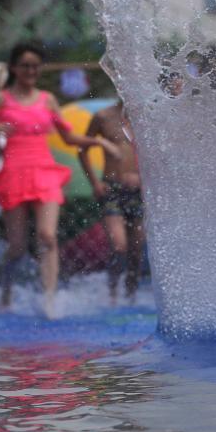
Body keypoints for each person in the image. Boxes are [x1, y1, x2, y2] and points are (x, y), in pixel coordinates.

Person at [0, 44, 116, 316]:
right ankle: (6, 291)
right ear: (14, 68)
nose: (30, 70)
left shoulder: (48, 99)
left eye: (35, 66)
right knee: (17, 247)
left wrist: (100, 143)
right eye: (25, 65)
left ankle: (50, 300)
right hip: (14, 173)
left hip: (44, 171)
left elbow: (69, 138)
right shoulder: (2, 99)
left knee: (48, 236)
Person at [78, 100, 145, 305]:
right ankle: (112, 293)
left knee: (137, 249)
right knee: (119, 245)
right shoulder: (103, 116)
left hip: (139, 192)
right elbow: (82, 150)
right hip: (112, 189)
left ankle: (131, 295)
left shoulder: (146, 115)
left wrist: (143, 179)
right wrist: (95, 182)